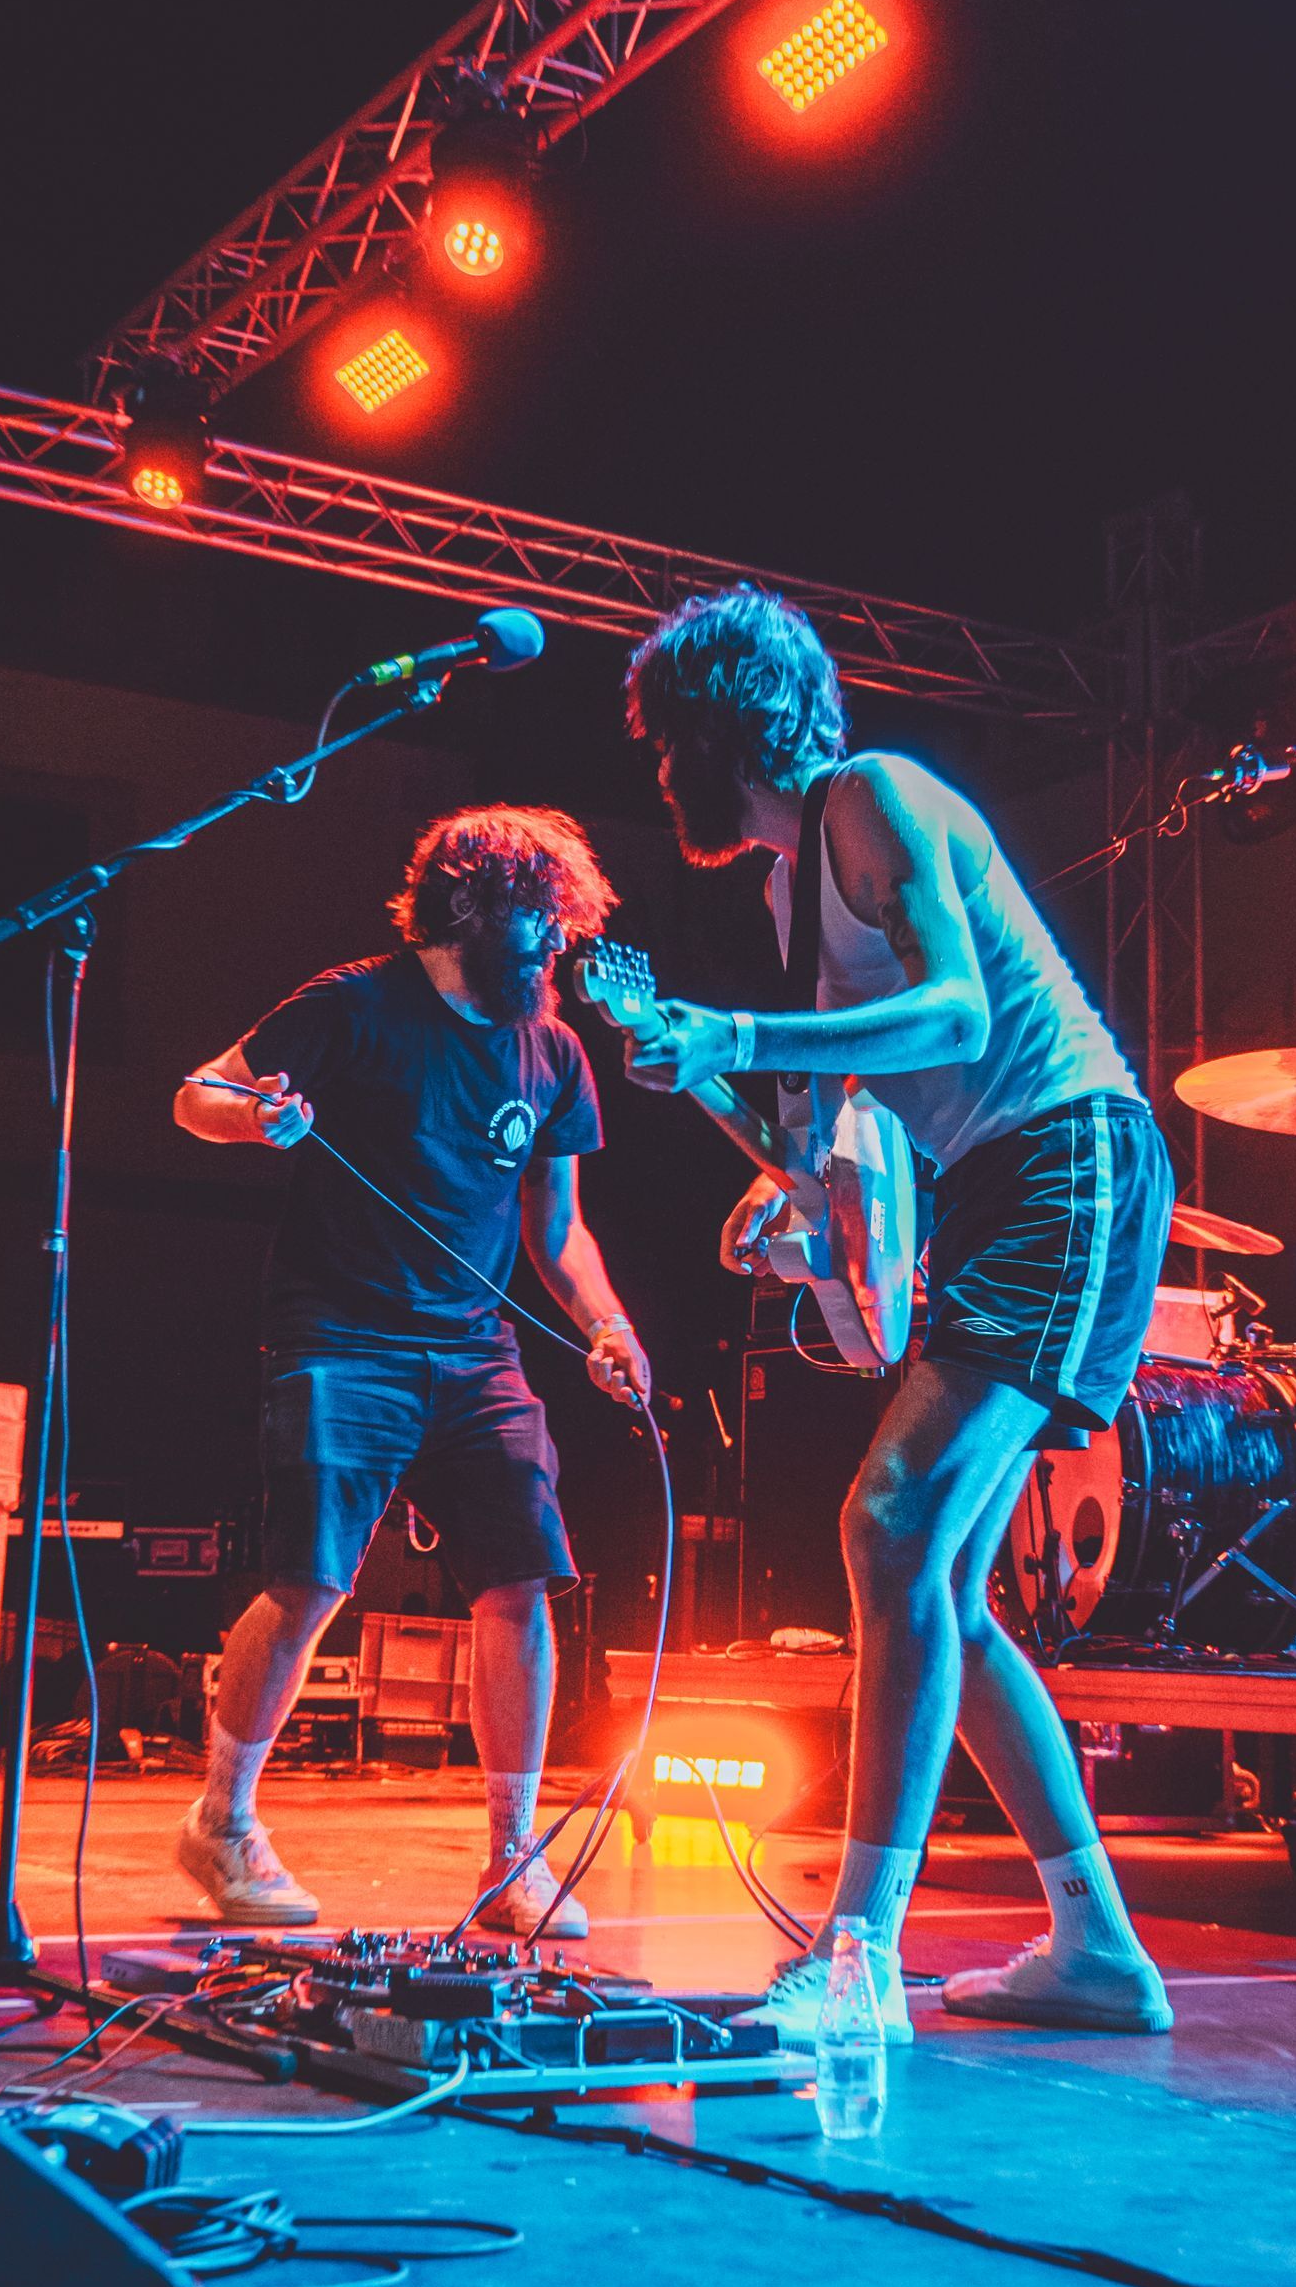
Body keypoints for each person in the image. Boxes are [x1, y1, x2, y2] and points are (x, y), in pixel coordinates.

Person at [621, 583, 1174, 2042]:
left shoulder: (874, 796)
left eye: (666, 740)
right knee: (943, 1592)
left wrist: (732, 1032)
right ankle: (1099, 1948)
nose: (660, 774)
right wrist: (784, 1208)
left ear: (718, 728)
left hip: (1072, 1152)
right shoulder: (788, 888)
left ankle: (858, 1959)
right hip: (1000, 1188)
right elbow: (837, 1144)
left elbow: (957, 1020)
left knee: (891, 1525)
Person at [173, 804, 651, 1933]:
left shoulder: (554, 1051)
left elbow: (558, 1231)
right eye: (535, 915)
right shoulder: (352, 1004)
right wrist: (259, 1124)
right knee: (313, 1582)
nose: (553, 942)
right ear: (467, 905)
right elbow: (201, 1093)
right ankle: (222, 1822)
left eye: (561, 919)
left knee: (520, 1579)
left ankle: (510, 1858)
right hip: (339, 1334)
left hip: (474, 1350)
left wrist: (609, 1324)